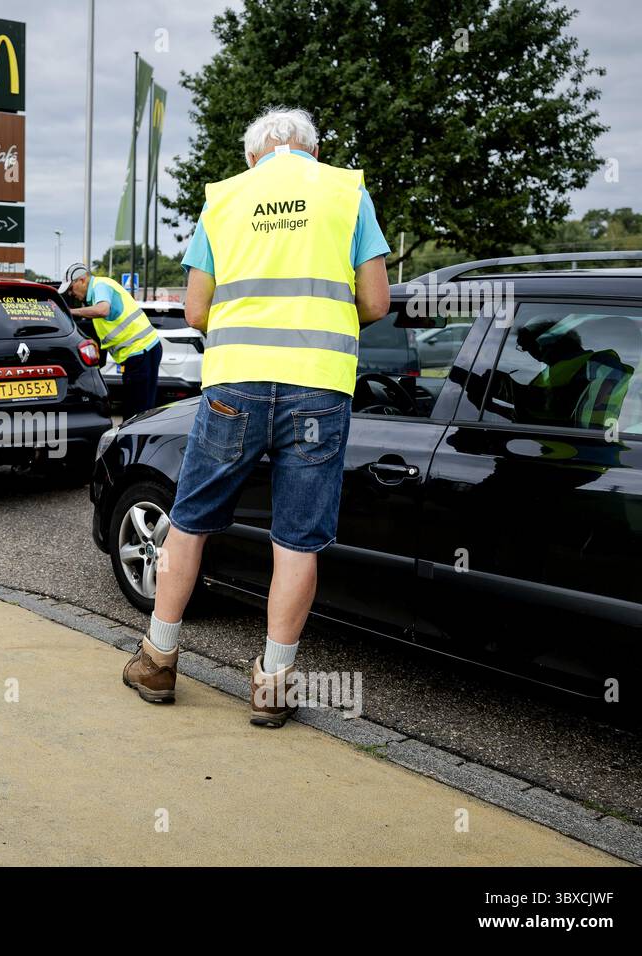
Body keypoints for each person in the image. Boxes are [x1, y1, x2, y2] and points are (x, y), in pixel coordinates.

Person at [122, 107, 391, 726]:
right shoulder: (347, 192)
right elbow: (374, 300)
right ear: (312, 152)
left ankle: (159, 659)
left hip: (232, 389)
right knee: (296, 539)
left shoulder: (224, 199)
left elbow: (194, 311)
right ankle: (273, 683)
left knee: (189, 521)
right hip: (318, 389)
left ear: (253, 157)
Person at [60, 263, 163, 419]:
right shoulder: (96, 294)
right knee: (141, 410)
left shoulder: (100, 286)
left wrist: (69, 312)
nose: (71, 294)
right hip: (141, 352)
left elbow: (103, 310)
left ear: (82, 280)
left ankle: (133, 443)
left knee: (137, 412)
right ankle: (137, 442)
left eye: (71, 288)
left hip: (141, 352)